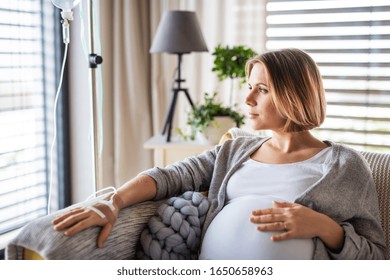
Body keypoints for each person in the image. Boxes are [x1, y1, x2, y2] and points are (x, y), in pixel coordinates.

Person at [53, 48, 387, 259]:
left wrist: (325, 228)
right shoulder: (234, 150)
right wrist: (114, 202)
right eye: (249, 87)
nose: (248, 100)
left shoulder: (345, 166)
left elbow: (376, 258)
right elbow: (171, 175)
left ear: (294, 96)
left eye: (262, 89)